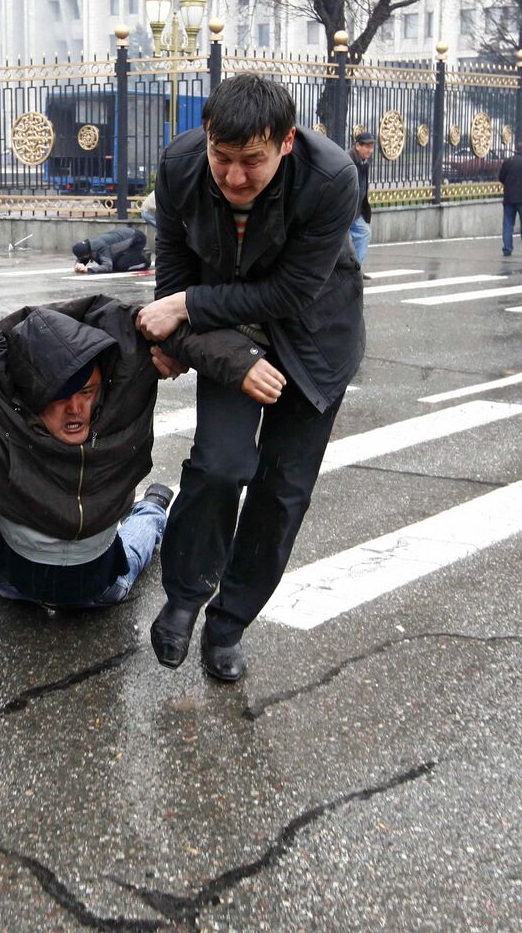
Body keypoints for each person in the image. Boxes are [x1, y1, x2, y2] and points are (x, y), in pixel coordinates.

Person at [137, 73, 364, 682]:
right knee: (220, 464)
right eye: (223, 157)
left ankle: (230, 621)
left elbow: (291, 292)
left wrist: (186, 312)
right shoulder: (182, 166)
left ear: (286, 142)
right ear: (206, 137)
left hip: (313, 341)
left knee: (281, 492)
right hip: (231, 341)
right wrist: (179, 342)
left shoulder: (332, 177)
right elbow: (173, 281)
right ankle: (185, 596)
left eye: (252, 162)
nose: (234, 177)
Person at [0, 291, 272, 611]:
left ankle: (152, 508)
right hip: (10, 584)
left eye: (87, 392)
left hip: (100, 590)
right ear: (31, 395)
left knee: (141, 533)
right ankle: (16, 517)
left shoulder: (119, 398)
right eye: (60, 398)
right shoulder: (3, 397)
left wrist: (239, 361)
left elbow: (168, 328)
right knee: (7, 539)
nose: (76, 409)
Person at [71, 226, 149, 273]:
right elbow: (81, 258)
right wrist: (78, 265)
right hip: (127, 237)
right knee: (115, 261)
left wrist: (89, 269)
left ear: (87, 254)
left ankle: (144, 261)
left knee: (120, 266)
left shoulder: (100, 247)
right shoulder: (88, 246)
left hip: (137, 239)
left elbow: (108, 266)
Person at [348, 130, 375, 262]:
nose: (370, 150)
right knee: (339, 243)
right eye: (367, 146)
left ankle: (355, 270)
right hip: (344, 210)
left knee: (364, 233)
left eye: (372, 146)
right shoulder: (349, 160)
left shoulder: (364, 162)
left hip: (355, 210)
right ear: (357, 146)